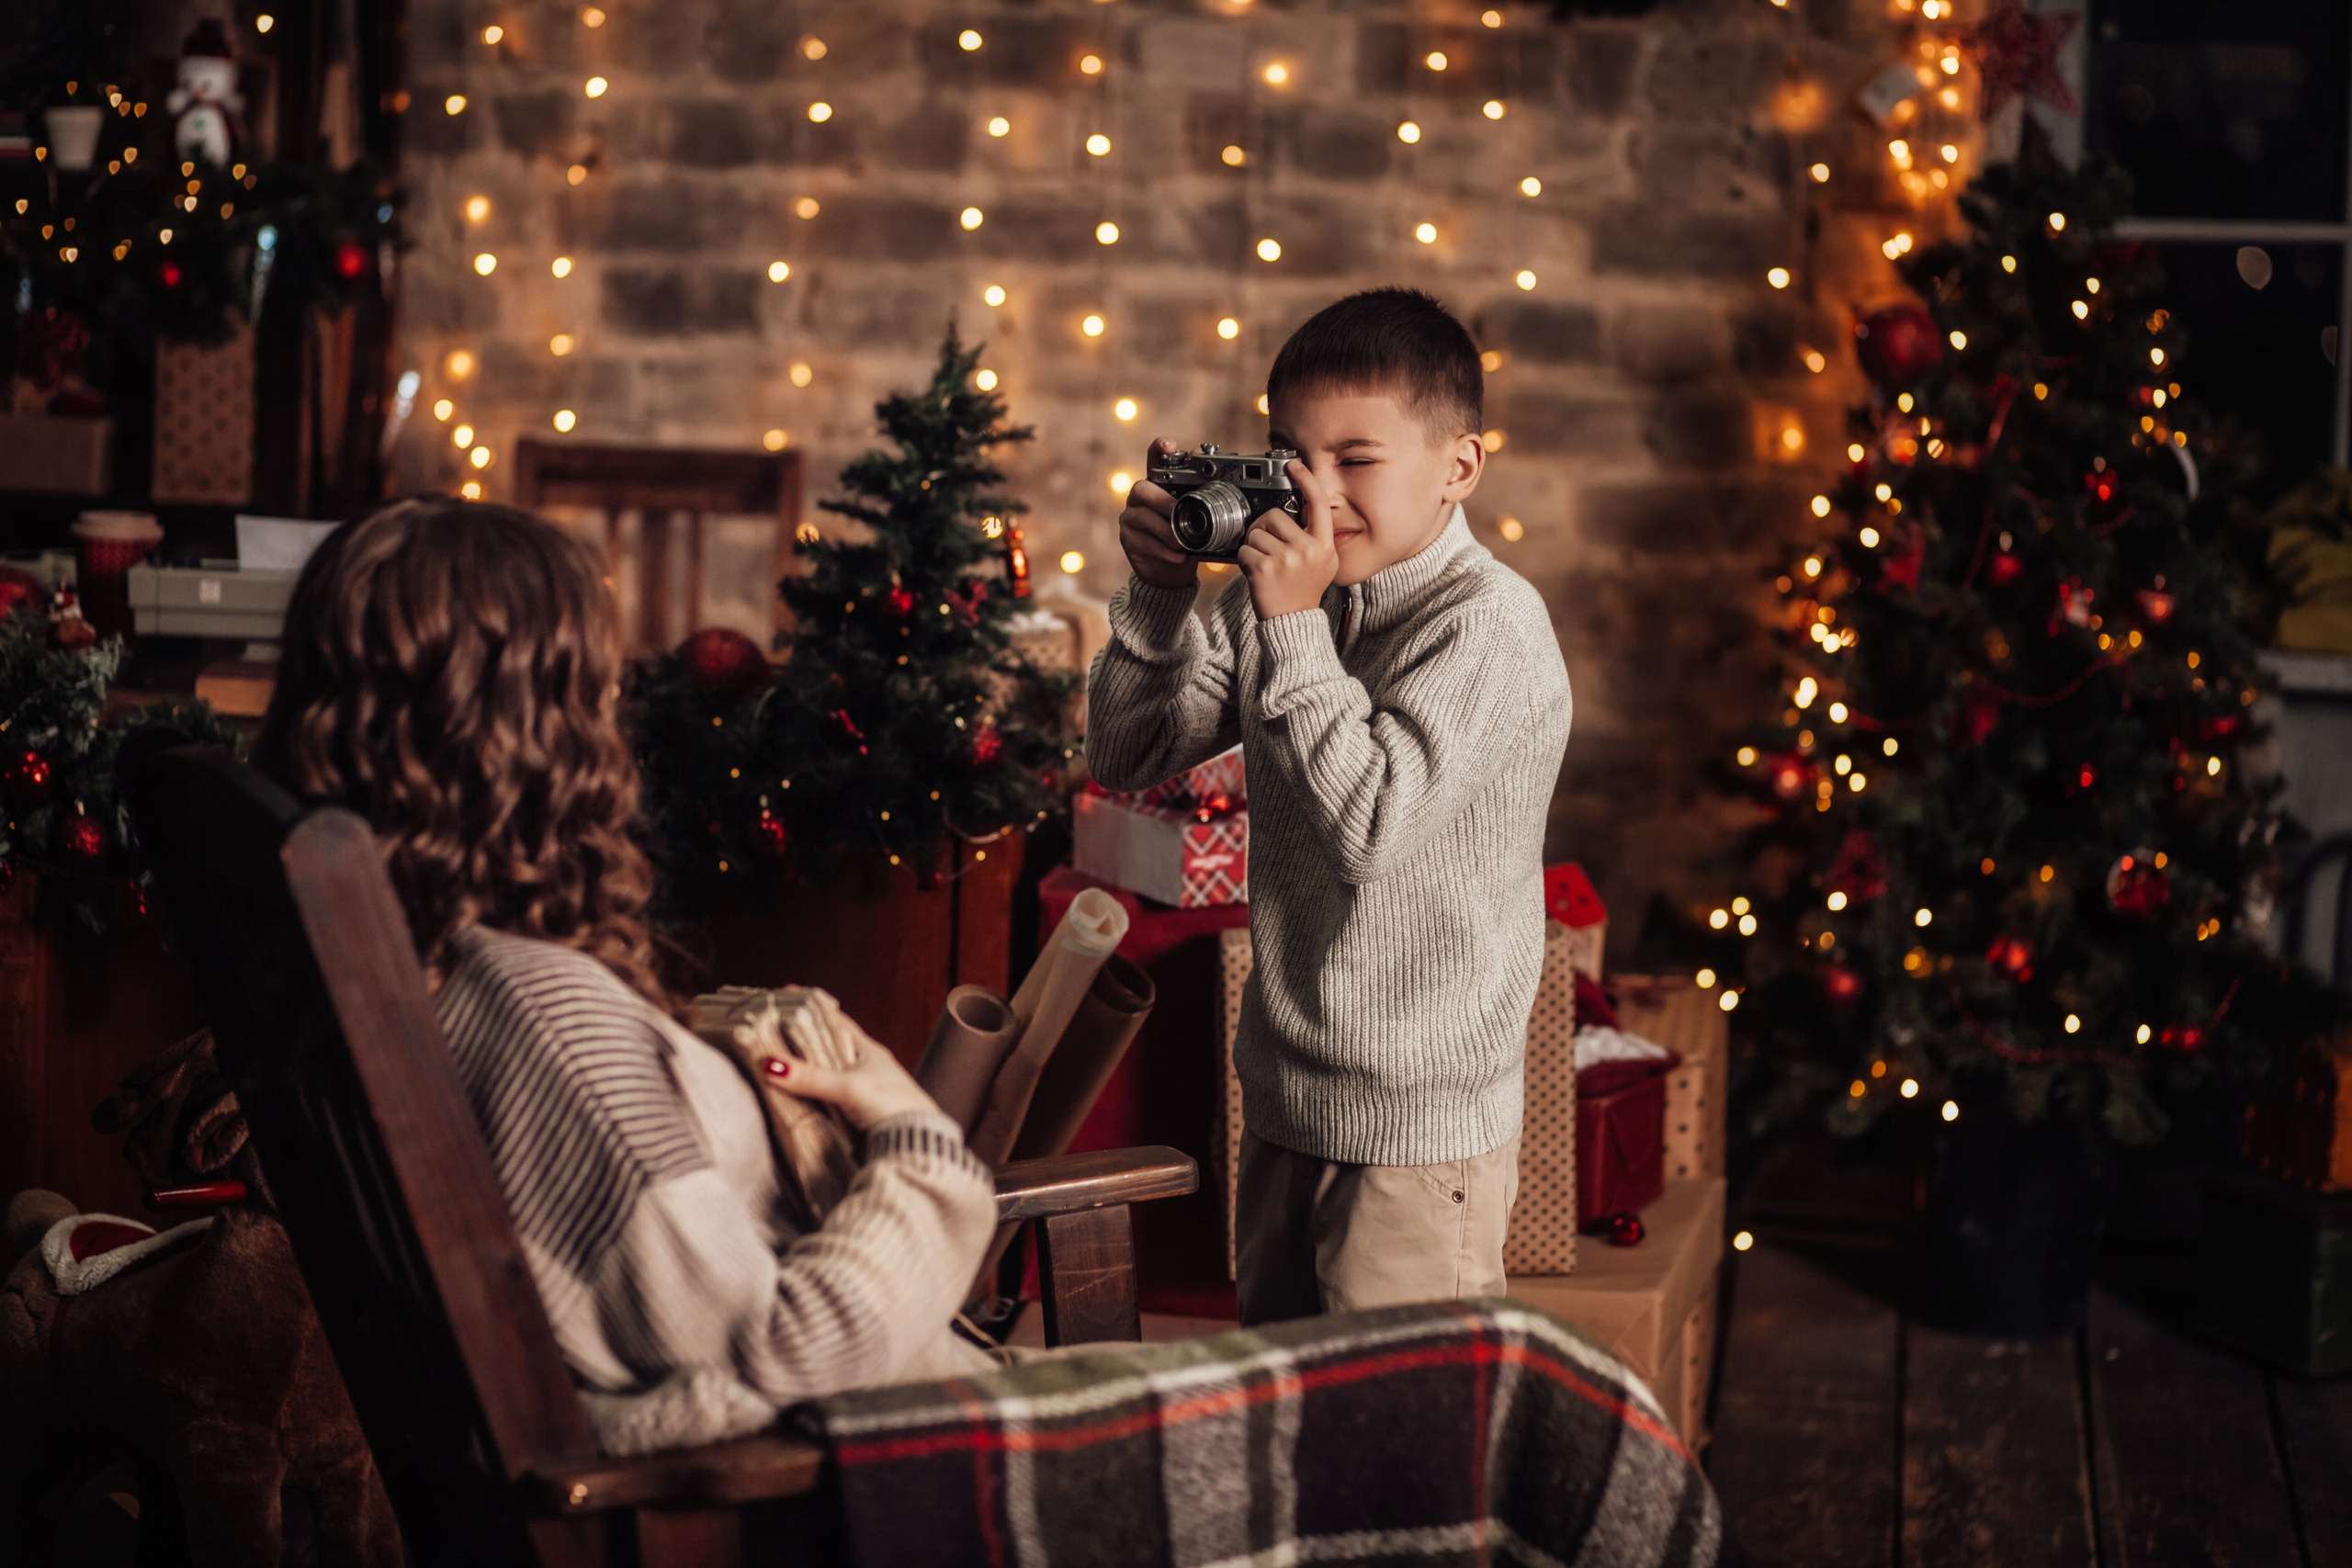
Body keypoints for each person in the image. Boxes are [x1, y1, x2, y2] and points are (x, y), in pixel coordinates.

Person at [253, 498, 1002, 1457]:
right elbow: (791, 1349)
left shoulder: (417, 968)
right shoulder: (553, 1026)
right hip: (898, 1466)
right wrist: (913, 1135)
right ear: (539, 728)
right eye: (593, 686)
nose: (613, 706)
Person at [1088, 287, 1574, 1325]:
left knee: (1400, 1461)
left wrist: (1296, 628)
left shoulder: (1491, 629)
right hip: (1282, 1099)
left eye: (1354, 459)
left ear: (1459, 467)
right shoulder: (1292, 593)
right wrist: (1161, 592)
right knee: (1286, 1425)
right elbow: (1128, 753)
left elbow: (1370, 832)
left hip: (1417, 1131)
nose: (1317, 492)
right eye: (1288, 456)